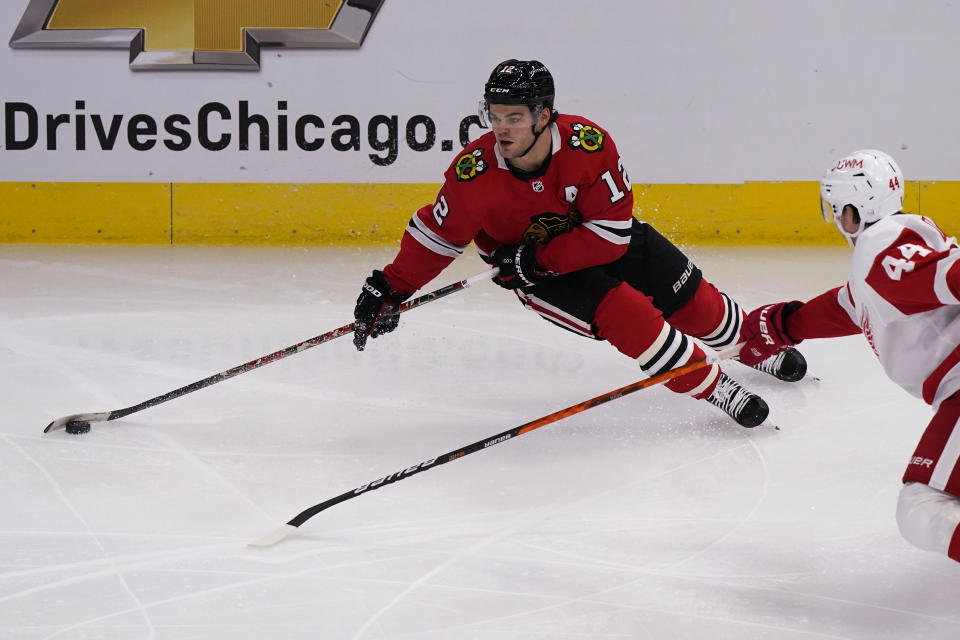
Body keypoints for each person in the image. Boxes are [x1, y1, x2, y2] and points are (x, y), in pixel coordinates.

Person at [352, 58, 808, 428]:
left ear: (543, 115)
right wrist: (392, 286)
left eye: (514, 118)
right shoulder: (473, 173)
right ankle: (714, 386)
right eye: (494, 117)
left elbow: (610, 236)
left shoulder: (588, 146)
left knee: (697, 304)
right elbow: (438, 234)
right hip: (535, 275)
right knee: (629, 315)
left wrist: (539, 258)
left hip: (579, 245)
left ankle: (752, 343)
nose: (501, 129)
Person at [738, 148, 960, 563]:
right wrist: (787, 325)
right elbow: (853, 304)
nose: (837, 220)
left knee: (922, 509)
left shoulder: (881, 247)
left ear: (855, 210)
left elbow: (946, 279)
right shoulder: (896, 244)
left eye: (838, 209)